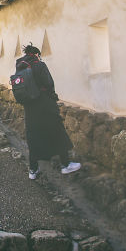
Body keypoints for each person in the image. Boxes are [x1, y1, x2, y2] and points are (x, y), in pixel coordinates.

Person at [15, 44, 81, 179]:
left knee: (33, 136)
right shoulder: (39, 65)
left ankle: (33, 170)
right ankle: (65, 165)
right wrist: (53, 97)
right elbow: (49, 83)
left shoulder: (19, 67)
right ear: (36, 54)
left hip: (30, 107)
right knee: (57, 131)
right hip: (45, 104)